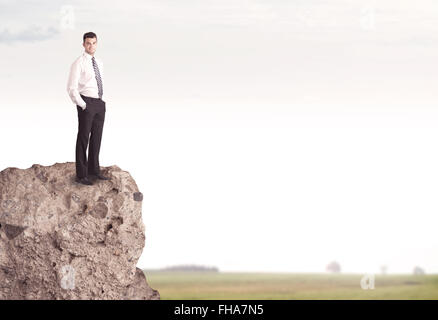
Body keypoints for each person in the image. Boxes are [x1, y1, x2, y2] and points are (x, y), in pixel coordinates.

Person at [67, 31, 110, 185]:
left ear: (96, 44)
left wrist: (101, 101)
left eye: (94, 43)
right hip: (86, 103)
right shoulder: (79, 63)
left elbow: (99, 82)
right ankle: (81, 175)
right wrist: (83, 104)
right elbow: (71, 88)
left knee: (97, 138)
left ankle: (94, 170)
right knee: (83, 138)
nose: (91, 46)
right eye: (88, 43)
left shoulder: (99, 62)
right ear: (83, 44)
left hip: (99, 103)